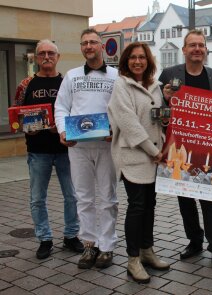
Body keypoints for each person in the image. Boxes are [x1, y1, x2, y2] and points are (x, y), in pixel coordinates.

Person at [159, 29, 212, 269]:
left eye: (201, 45)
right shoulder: (169, 74)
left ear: (206, 50)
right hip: (180, 146)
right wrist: (166, 100)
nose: (197, 49)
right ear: (184, 50)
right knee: (185, 198)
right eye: (192, 45)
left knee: (211, 199)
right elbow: (157, 110)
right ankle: (194, 240)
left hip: (208, 147)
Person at [54, 29, 118, 269]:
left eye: (93, 42)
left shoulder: (116, 75)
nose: (89, 46)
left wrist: (116, 130)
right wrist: (62, 131)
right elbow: (61, 107)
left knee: (108, 198)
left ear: (102, 46)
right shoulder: (71, 76)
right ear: (81, 48)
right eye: (85, 43)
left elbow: (122, 108)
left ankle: (108, 246)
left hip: (106, 146)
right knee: (84, 197)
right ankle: (89, 244)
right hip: (78, 146)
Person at [14, 39, 83, 260]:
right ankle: (44, 239)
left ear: (58, 57)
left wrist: (63, 128)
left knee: (71, 195)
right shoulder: (25, 85)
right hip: (37, 150)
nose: (46, 57)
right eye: (42, 53)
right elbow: (16, 116)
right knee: (37, 198)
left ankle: (71, 235)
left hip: (65, 149)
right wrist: (26, 129)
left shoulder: (67, 83)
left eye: (51, 53)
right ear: (35, 57)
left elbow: (77, 114)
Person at [108, 42, 170, 283]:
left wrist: (164, 136)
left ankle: (147, 251)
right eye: (133, 57)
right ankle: (133, 259)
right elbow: (128, 122)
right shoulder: (121, 85)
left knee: (150, 205)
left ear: (148, 61)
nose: (137, 61)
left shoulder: (156, 86)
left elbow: (159, 117)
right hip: (134, 156)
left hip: (154, 156)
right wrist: (151, 149)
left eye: (142, 57)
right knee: (136, 207)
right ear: (126, 61)